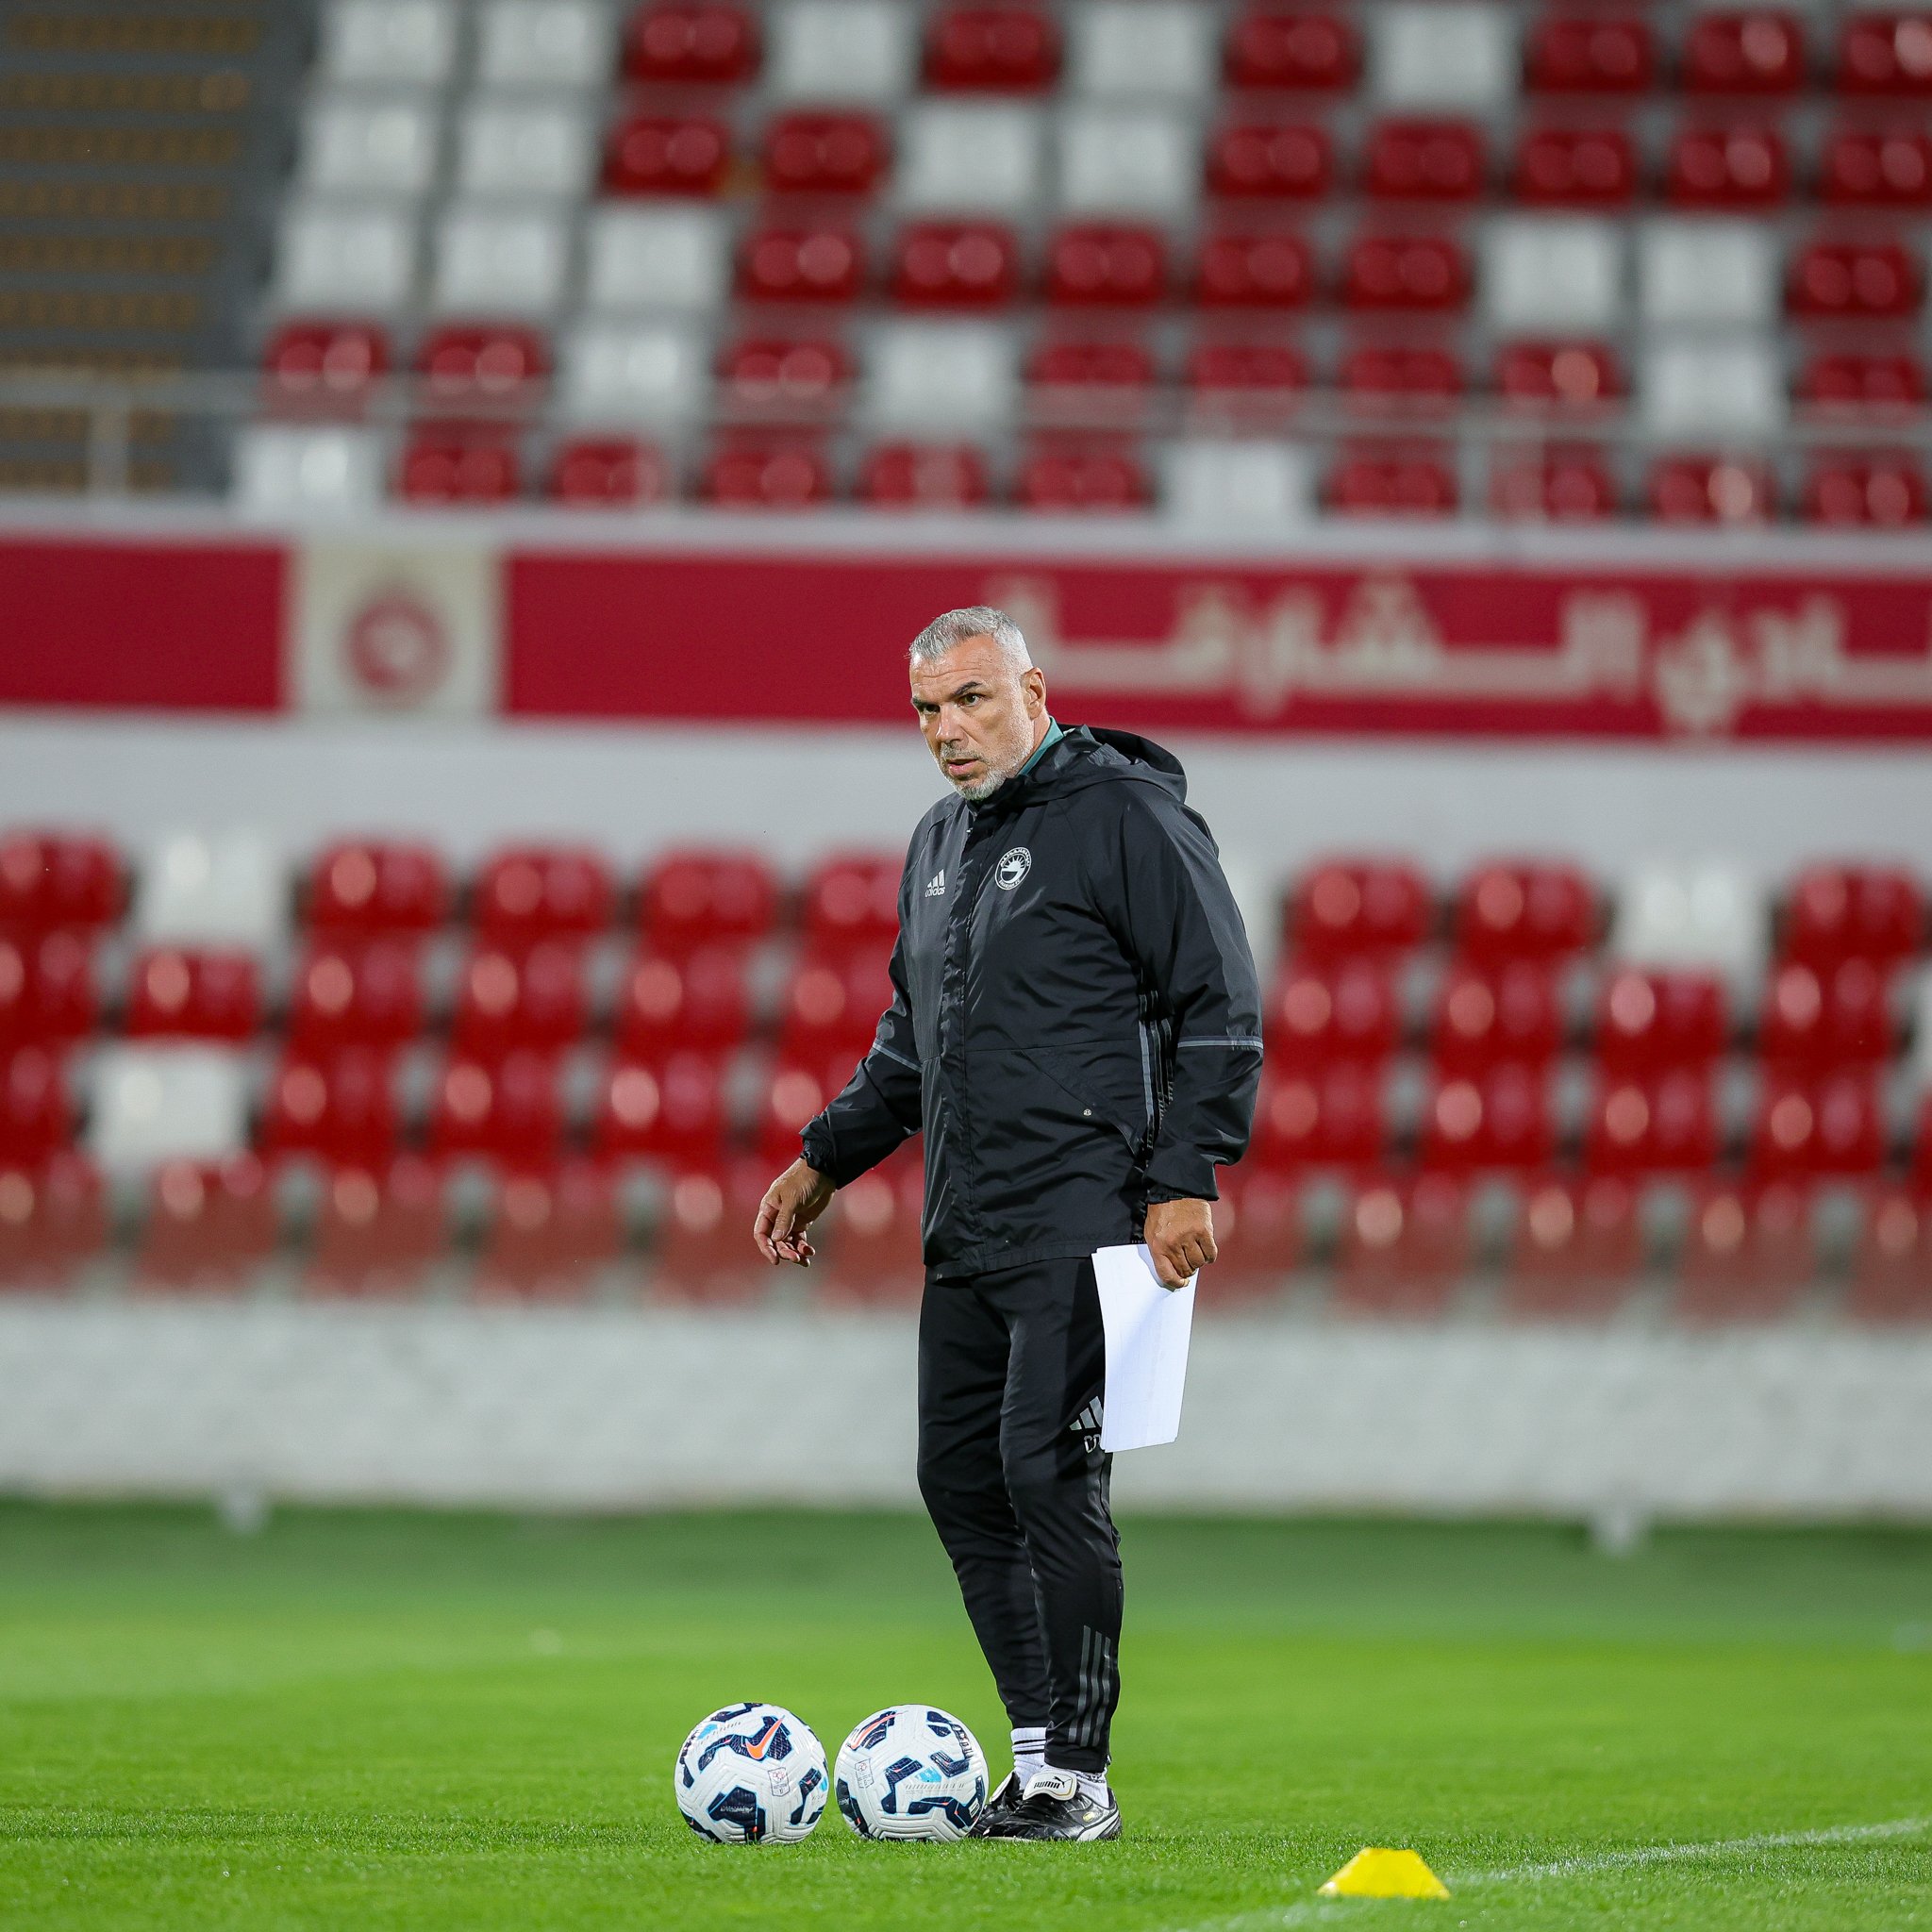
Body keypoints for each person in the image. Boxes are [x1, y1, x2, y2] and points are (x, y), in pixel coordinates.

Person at [754, 606, 1261, 1841]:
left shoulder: (1128, 817)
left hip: (1091, 1215)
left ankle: (1079, 1779)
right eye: (927, 709)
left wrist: (1187, 1172)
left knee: (1049, 1471)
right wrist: (825, 1159)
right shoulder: (937, 842)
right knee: (959, 1477)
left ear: (1035, 691)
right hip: (969, 1222)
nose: (948, 730)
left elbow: (1219, 997)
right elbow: (912, 1043)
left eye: (972, 699)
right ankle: (1035, 1759)